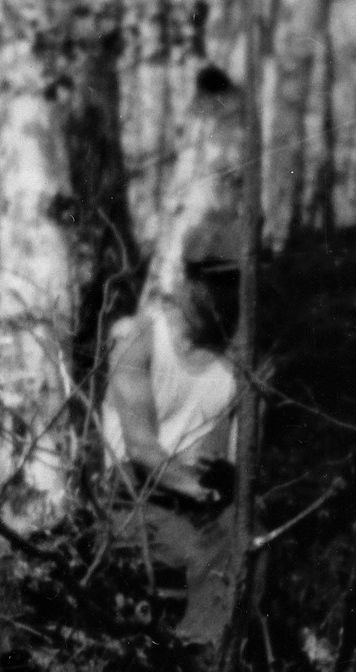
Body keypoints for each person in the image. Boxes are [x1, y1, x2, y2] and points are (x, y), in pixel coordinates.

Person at [102, 217, 242, 647]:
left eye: (236, 284)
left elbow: (230, 461)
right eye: (219, 283)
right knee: (206, 551)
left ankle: (209, 658)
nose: (229, 296)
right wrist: (199, 490)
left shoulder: (235, 368)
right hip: (135, 495)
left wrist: (225, 482)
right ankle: (194, 660)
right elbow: (141, 448)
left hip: (196, 504)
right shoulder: (140, 336)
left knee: (241, 535)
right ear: (190, 280)